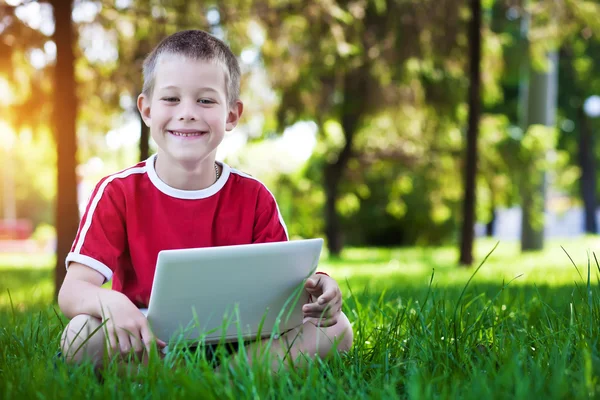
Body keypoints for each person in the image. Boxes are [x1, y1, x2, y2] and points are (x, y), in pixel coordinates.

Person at [58, 29, 353, 370]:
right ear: (147, 109)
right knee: (79, 335)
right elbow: (72, 292)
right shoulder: (117, 192)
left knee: (337, 328)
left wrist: (322, 288)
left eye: (206, 100)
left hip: (240, 342)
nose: (187, 112)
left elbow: (285, 291)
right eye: (171, 99)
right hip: (147, 341)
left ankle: (224, 377)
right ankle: (191, 377)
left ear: (231, 115)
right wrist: (108, 302)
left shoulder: (255, 197)